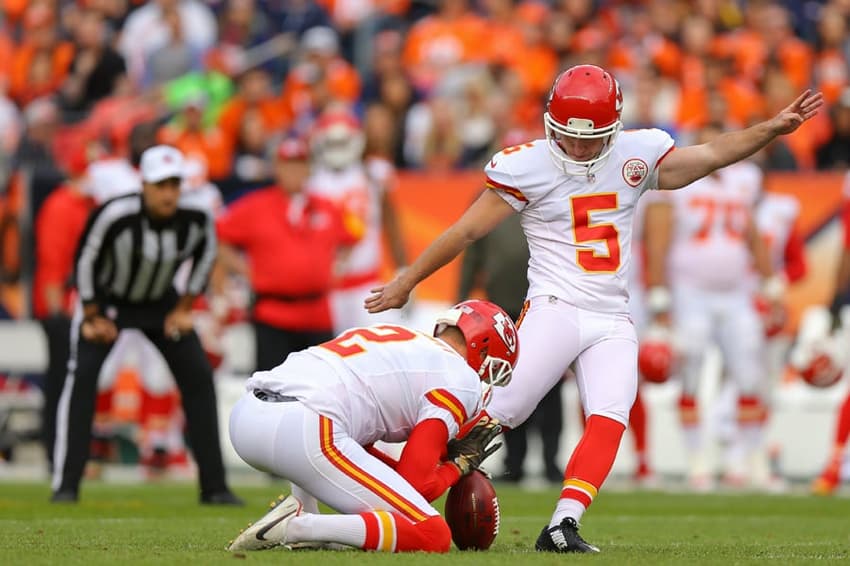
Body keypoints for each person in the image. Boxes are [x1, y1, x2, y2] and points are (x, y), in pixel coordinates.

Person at [365, 64, 822, 552]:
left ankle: (563, 524)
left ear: (615, 128)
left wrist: (770, 129)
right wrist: (407, 280)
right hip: (555, 306)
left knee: (610, 412)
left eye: (592, 138)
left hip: (612, 314)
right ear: (549, 123)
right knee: (496, 411)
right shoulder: (527, 165)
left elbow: (711, 154)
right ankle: (388, 473)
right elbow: (466, 230)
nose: (580, 147)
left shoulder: (636, 154)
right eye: (568, 136)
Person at [226, 299, 518, 553]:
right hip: (304, 426)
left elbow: (364, 455)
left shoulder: (401, 340)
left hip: (247, 416)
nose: (484, 381)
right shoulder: (461, 379)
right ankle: (299, 527)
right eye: (493, 371)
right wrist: (457, 466)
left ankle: (306, 512)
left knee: (347, 443)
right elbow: (416, 486)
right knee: (432, 534)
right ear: (481, 353)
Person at [51, 145, 241, 505]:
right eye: (160, 185)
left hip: (160, 302)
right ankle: (67, 484)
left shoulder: (196, 216)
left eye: (174, 184)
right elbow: (86, 257)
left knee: (198, 378)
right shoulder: (116, 213)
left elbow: (206, 253)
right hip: (108, 302)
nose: (168, 193)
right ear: (144, 186)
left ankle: (215, 487)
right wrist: (91, 314)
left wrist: (186, 306)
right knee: (83, 378)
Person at [643, 124, 782, 491]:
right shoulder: (679, 179)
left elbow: (752, 234)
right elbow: (657, 239)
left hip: (736, 293)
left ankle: (751, 460)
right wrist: (659, 296)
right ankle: (697, 462)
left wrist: (771, 284)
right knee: (691, 374)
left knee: (750, 373)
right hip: (691, 293)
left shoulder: (743, 180)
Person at [215, 137, 360, 373]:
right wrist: (246, 271)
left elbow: (353, 236)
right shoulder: (255, 206)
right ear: (277, 168)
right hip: (274, 316)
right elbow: (219, 236)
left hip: (318, 315)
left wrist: (336, 268)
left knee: (323, 390)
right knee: (272, 393)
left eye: (300, 164)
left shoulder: (326, 206)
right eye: (288, 164)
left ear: (309, 169)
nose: (294, 171)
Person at [457, 210, 563, 484]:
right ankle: (514, 461)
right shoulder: (494, 195)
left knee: (551, 385)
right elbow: (472, 249)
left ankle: (552, 461)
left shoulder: (548, 189)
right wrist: (460, 297)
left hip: (546, 304)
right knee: (507, 382)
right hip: (504, 307)